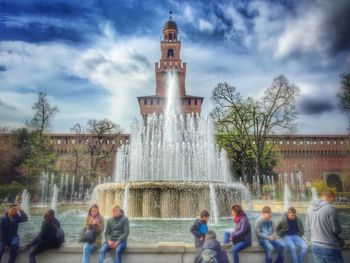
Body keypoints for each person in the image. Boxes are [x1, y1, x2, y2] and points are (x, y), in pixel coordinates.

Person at [307, 189, 344, 263]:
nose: (333, 202)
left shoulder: (309, 209)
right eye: (334, 199)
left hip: (315, 246)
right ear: (331, 197)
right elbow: (336, 230)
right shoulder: (331, 208)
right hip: (330, 247)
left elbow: (308, 228)